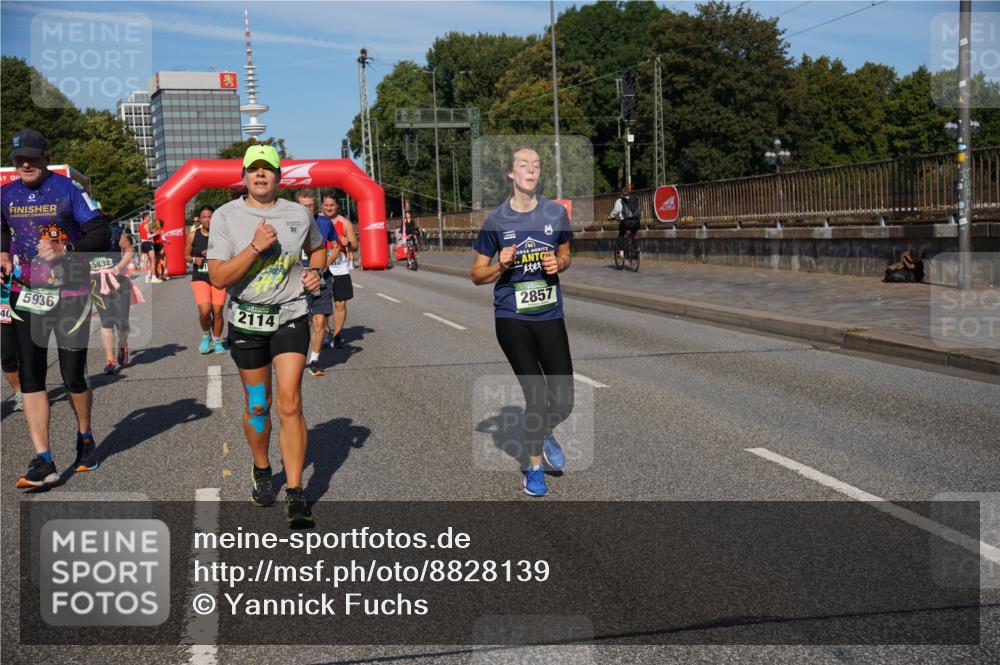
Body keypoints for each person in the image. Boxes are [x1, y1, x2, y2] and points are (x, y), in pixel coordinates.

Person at [207, 144, 325, 527]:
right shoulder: (226, 216)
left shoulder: (298, 213)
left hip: (291, 315)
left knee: (290, 402)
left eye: (268, 169)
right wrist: (255, 247)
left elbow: (320, 249)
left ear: (279, 176)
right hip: (246, 321)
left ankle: (294, 490)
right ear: (244, 176)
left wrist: (316, 273)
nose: (261, 175)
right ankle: (261, 468)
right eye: (254, 170)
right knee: (259, 404)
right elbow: (220, 278)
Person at [1, 129, 111, 488]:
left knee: (72, 375)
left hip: (69, 293)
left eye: (33, 157)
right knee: (31, 375)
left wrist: (67, 251)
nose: (26, 163)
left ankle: (85, 436)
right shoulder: (6, 194)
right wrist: (3, 251)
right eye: (20, 158)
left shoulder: (67, 191)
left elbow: (100, 233)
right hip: (25, 293)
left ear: (46, 157)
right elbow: (1, 229)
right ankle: (43, 460)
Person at [470, 146, 574, 497]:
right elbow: (476, 275)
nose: (531, 170)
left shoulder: (555, 213)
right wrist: (500, 264)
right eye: (523, 165)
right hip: (512, 316)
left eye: (536, 165)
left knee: (563, 401)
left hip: (549, 313)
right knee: (536, 395)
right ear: (511, 175)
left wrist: (559, 264)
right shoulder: (496, 221)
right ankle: (533, 468)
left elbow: (566, 252)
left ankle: (543, 431)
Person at [91, 217, 140, 374]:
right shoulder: (81, 235)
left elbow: (130, 249)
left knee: (122, 322)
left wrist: (119, 266)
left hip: (118, 282)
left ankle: (123, 344)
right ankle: (110, 361)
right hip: (97, 284)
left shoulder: (113, 231)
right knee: (106, 322)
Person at [304, 202, 340, 376]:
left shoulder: (325, 223)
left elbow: (337, 244)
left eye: (311, 205)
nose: (308, 208)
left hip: (321, 278)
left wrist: (328, 261)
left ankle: (314, 360)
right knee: (305, 323)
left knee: (319, 321)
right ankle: (294, 356)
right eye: (304, 205)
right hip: (298, 279)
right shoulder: (289, 220)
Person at [185, 205, 227, 354]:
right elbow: (186, 255)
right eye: (204, 217)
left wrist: (215, 253)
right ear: (199, 219)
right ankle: (206, 335)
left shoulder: (223, 234)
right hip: (200, 277)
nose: (207, 219)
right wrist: (194, 259)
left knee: (217, 311)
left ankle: (216, 340)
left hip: (218, 277)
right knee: (205, 310)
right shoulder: (193, 235)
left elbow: (232, 253)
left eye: (210, 216)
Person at [322, 194, 357, 349]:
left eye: (332, 205)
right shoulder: (316, 220)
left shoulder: (345, 223)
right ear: (322, 205)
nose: (329, 208)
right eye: (326, 205)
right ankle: (327, 331)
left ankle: (336, 335)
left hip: (340, 269)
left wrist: (348, 242)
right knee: (321, 308)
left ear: (337, 206)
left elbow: (355, 246)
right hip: (322, 268)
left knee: (340, 304)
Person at [1, 274, 22, 412]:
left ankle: (34, 388)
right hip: (4, 303)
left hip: (26, 299)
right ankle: (19, 392)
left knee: (30, 353)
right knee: (7, 356)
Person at [609, 186, 641, 267]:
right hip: (636, 222)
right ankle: (636, 249)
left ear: (621, 193)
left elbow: (616, 211)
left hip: (625, 222)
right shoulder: (635, 200)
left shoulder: (619, 201)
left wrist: (611, 217)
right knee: (633, 234)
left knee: (621, 235)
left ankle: (621, 253)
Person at [138, 212, 160, 283]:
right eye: (149, 217)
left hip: (143, 243)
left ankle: (147, 277)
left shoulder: (140, 225)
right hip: (148, 243)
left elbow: (144, 235)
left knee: (146, 261)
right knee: (153, 260)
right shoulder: (146, 225)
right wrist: (156, 233)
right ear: (146, 217)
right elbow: (148, 236)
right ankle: (153, 277)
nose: (150, 218)